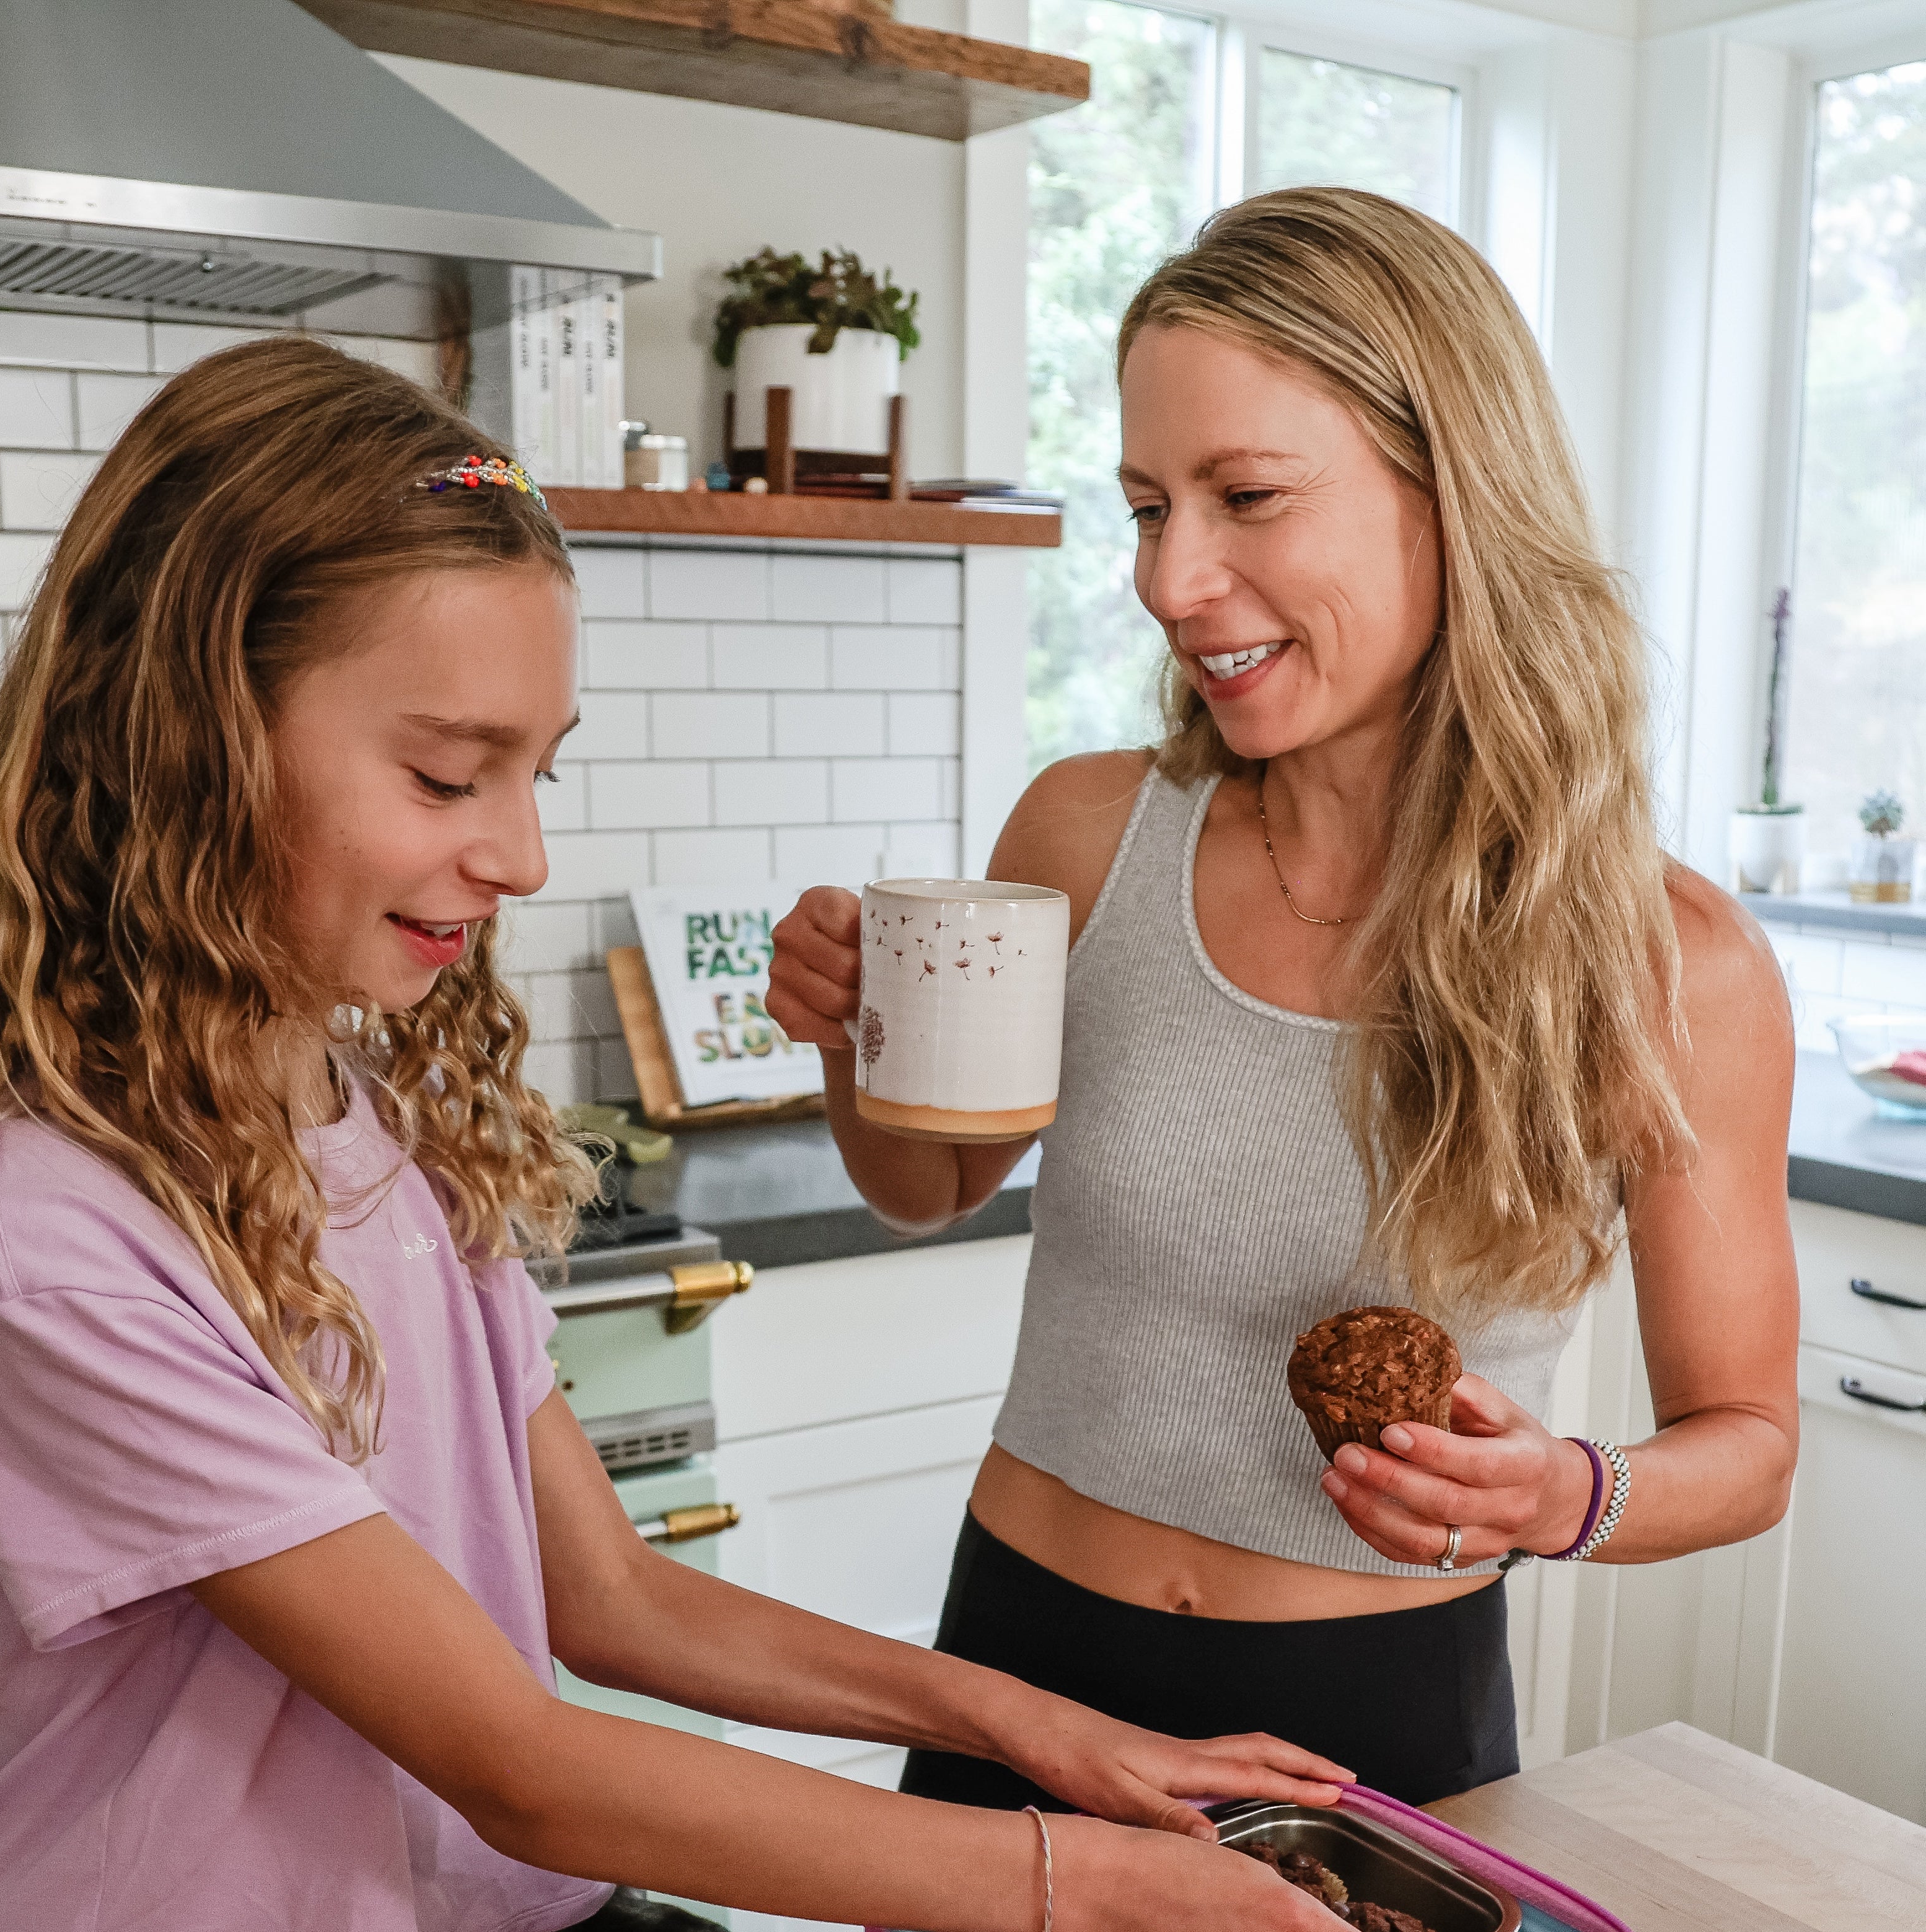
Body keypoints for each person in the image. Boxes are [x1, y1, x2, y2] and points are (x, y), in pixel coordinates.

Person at [0, 338, 1438, 1932]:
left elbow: (605, 1601)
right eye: (444, 772)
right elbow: (524, 1756)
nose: (521, 852)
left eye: (535, 774)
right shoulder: (42, 1225)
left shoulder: (360, 1110)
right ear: (186, 732)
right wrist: (1092, 1889)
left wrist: (1044, 1731)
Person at [768, 188, 1799, 1814]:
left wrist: (1558, 1493)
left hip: (1374, 1713)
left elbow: (1745, 1440)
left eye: (1245, 496)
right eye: (1143, 506)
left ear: (1449, 497)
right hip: (1022, 1663)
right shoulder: (1085, 833)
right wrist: (852, 1044)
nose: (1174, 581)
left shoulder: (1666, 965)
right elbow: (922, 1185)